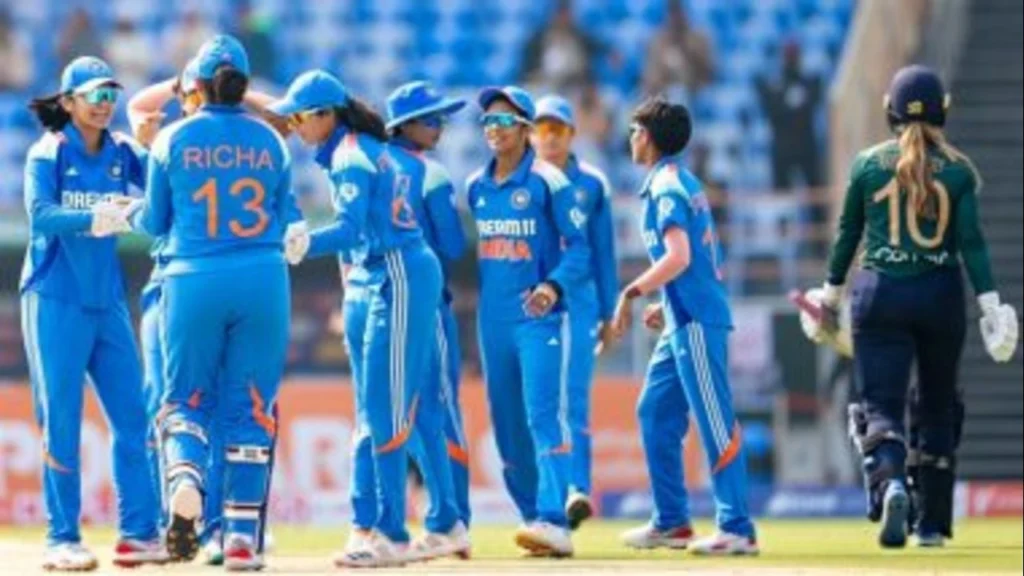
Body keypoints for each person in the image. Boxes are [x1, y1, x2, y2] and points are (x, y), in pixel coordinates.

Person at [807, 65, 1018, 548]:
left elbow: (847, 235)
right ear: (943, 110)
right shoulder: (961, 171)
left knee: (880, 404)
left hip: (879, 291)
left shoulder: (866, 165)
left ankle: (892, 481)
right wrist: (992, 305)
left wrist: (830, 294)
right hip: (941, 293)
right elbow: (972, 243)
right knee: (938, 407)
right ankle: (930, 525)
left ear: (889, 112)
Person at [269, 69, 446, 568]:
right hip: (387, 275)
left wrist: (301, 243)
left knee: (386, 413)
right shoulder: (353, 148)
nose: (296, 127)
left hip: (398, 275)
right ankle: (368, 526)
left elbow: (347, 230)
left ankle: (392, 535)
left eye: (301, 117)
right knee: (373, 413)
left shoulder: (350, 156)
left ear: (326, 115)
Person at [133, 35, 297, 570]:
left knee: (185, 400)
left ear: (197, 86)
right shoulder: (272, 143)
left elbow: (154, 223)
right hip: (263, 278)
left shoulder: (172, 139)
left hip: (192, 278)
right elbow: (284, 209)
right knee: (251, 409)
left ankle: (185, 478)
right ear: (245, 87)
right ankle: (243, 540)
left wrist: (128, 212)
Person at [21, 55, 164, 571]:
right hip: (54, 298)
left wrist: (153, 144)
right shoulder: (48, 152)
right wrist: (93, 218)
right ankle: (62, 538)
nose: (106, 104)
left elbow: (162, 197)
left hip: (106, 302)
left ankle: (139, 534)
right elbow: (39, 215)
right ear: (69, 102)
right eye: (95, 95)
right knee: (60, 421)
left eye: (111, 95)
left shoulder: (125, 151)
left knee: (133, 418)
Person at [611, 98, 759, 556]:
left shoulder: (668, 186)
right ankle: (672, 521)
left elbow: (680, 257)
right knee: (653, 411)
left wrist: (632, 294)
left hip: (696, 320)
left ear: (650, 137)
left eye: (635, 130)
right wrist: (663, 301)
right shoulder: (672, 181)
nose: (630, 137)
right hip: (681, 315)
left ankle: (737, 528)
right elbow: (686, 261)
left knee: (715, 421)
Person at [467, 85, 590, 557]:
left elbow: (578, 247)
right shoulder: (476, 187)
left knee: (542, 415)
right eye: (487, 124)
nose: (493, 131)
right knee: (507, 424)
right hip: (492, 322)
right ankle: (531, 517)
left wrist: (552, 285)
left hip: (537, 319)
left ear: (524, 129)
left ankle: (555, 518)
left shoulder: (548, 182)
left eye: (503, 122)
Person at [385, 80, 472, 560]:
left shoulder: (375, 164)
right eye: (431, 118)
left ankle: (438, 519)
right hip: (428, 304)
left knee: (403, 413)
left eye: (441, 118)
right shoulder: (431, 173)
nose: (439, 126)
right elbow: (456, 246)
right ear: (404, 125)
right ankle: (452, 518)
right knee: (439, 412)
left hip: (386, 305)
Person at [530, 95, 618, 530]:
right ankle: (549, 493)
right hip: (530, 307)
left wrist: (609, 311)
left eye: (557, 129)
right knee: (539, 405)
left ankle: (576, 489)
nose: (549, 137)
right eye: (542, 129)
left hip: (578, 305)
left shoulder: (593, 185)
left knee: (573, 399)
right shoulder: (520, 182)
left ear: (571, 134)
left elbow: (602, 253)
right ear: (530, 133)